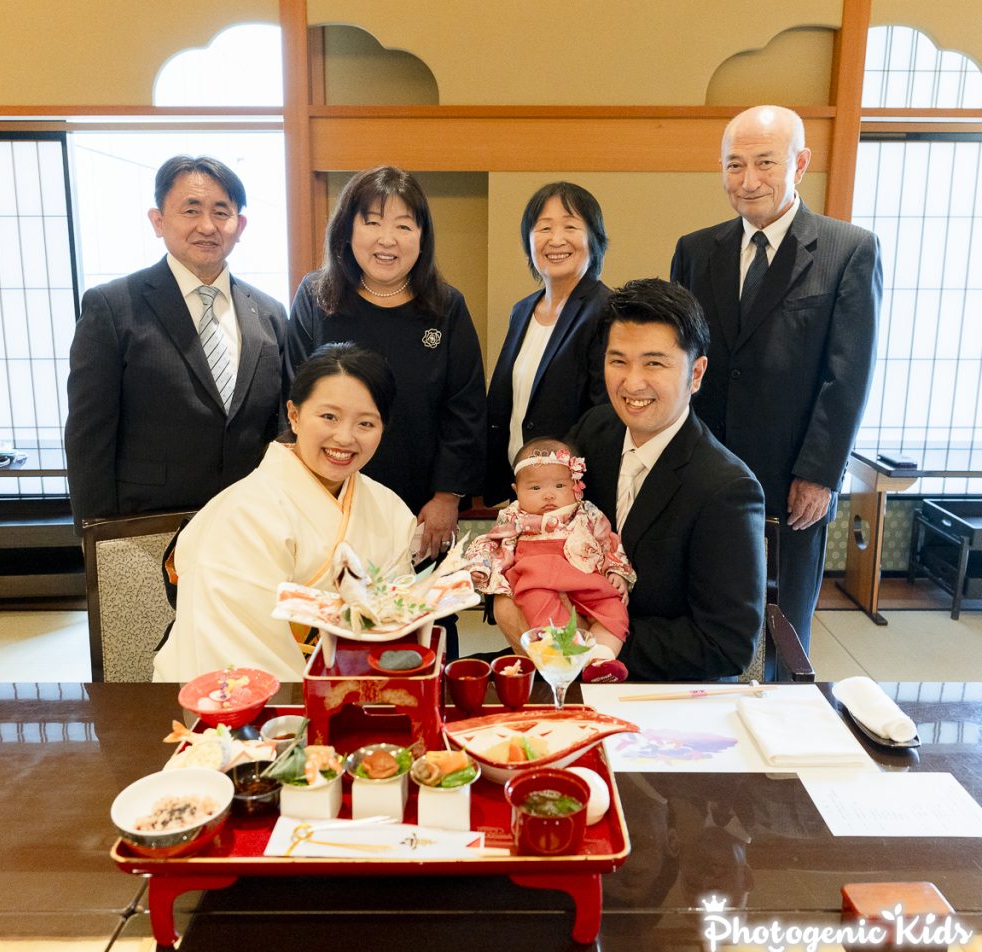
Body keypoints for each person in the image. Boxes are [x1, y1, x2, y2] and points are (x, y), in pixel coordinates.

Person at [671, 105, 883, 653]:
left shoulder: (848, 250)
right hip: (704, 466)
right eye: (734, 165)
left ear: (800, 163)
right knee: (704, 614)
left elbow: (849, 373)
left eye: (765, 162)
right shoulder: (696, 250)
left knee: (785, 628)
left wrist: (819, 473)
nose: (748, 181)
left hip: (793, 478)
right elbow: (679, 361)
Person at [153, 343, 417, 682]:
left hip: (357, 686)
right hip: (245, 694)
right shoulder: (243, 514)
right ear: (294, 414)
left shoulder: (388, 509)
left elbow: (396, 621)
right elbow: (236, 645)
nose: (345, 437)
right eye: (328, 417)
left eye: (366, 423)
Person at [65, 155, 287, 532]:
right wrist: (97, 534)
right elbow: (89, 435)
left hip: (250, 522)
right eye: (190, 209)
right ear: (158, 221)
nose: (207, 226)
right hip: (148, 523)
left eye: (222, 212)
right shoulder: (113, 306)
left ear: (240, 225)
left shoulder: (269, 312)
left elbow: (281, 426)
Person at [564, 278, 765, 681]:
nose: (632, 383)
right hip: (564, 661)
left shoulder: (726, 489)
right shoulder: (594, 431)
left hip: (661, 690)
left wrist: (590, 640)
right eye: (618, 360)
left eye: (654, 363)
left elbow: (726, 644)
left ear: (696, 374)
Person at [284, 166, 486, 562]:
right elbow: (293, 393)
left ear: (422, 236)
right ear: (347, 230)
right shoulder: (316, 296)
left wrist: (448, 496)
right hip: (328, 494)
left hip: (421, 504)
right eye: (372, 222)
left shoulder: (447, 307)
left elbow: (465, 407)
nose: (387, 239)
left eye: (404, 226)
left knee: (421, 617)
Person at [464, 436, 635, 681]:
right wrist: (479, 567)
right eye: (535, 488)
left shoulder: (586, 512)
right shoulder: (514, 516)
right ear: (516, 490)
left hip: (586, 577)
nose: (548, 496)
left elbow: (609, 542)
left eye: (559, 486)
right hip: (537, 580)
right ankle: (567, 654)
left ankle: (601, 660)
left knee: (614, 608)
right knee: (539, 607)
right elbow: (491, 543)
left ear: (577, 485)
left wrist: (617, 571)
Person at [484, 182, 611, 505]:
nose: (556, 240)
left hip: (572, 495)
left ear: (593, 240)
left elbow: (604, 416)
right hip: (525, 491)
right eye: (543, 228)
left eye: (570, 226)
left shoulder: (606, 310)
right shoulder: (523, 310)